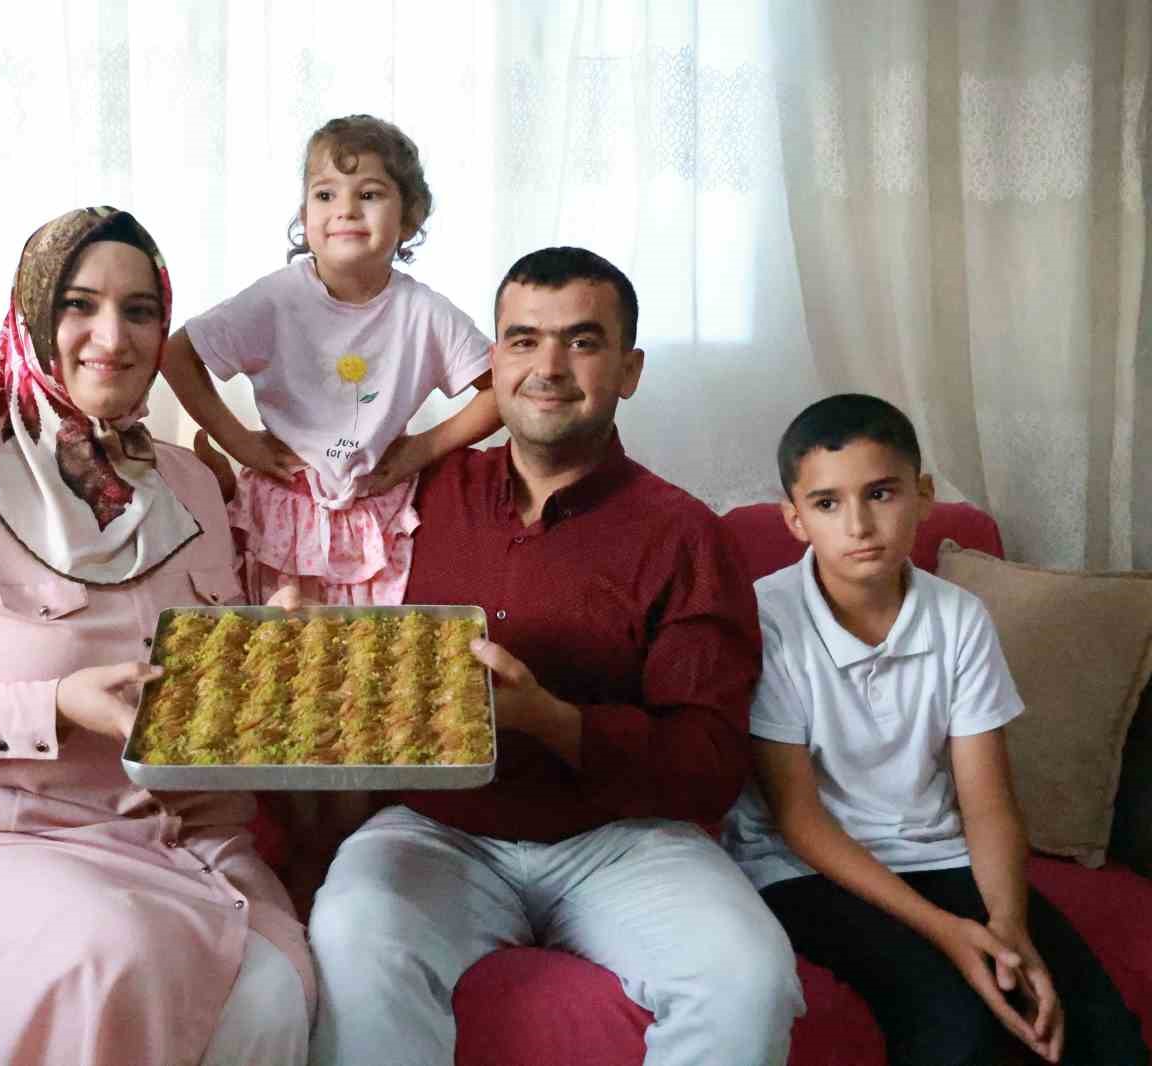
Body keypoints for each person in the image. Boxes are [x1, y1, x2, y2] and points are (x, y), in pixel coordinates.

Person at [0, 207, 314, 1066]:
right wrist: (54, 706)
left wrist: (266, 662)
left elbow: (196, 706)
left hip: (176, 843)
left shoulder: (193, 485)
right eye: (79, 306)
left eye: (140, 311)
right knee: (108, 956)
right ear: (34, 316)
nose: (111, 338)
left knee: (276, 990)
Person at [305, 247, 805, 1066]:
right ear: (493, 360)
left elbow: (711, 764)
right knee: (353, 939)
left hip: (623, 839)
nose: (549, 366)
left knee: (748, 979)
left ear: (629, 369)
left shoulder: (683, 534)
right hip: (438, 829)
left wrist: (550, 721)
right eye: (523, 339)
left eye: (582, 341)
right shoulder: (419, 495)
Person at [721, 393, 1149, 1066]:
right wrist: (952, 934)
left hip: (934, 852)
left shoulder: (960, 619)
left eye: (882, 493)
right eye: (828, 504)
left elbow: (986, 801)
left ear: (921, 496)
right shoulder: (768, 620)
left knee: (1089, 1021)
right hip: (804, 868)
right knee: (953, 1024)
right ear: (795, 519)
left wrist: (1007, 926)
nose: (859, 524)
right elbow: (799, 819)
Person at [161, 113, 501, 606]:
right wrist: (239, 443)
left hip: (375, 510)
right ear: (304, 216)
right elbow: (177, 355)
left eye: (368, 194)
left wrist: (423, 449)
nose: (345, 209)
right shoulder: (277, 299)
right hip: (283, 505)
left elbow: (501, 390)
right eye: (325, 195)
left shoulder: (424, 312)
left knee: (365, 659)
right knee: (282, 653)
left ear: (410, 216)